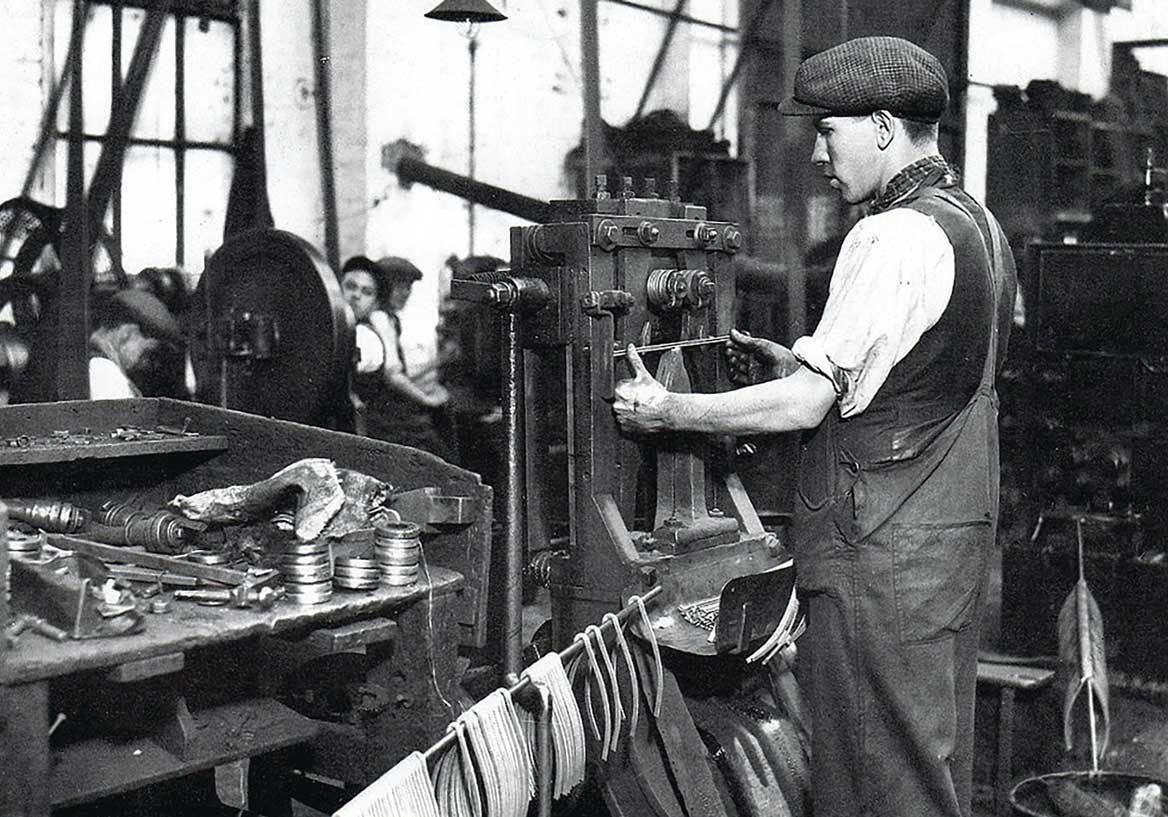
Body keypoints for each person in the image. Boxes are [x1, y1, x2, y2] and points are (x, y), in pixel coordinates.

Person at [612, 36, 1017, 817]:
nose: (818, 156)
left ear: (881, 126)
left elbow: (805, 407)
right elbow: (921, 375)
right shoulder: (977, 227)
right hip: (946, 548)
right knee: (923, 768)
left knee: (867, 781)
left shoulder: (890, 234)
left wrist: (670, 409)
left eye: (828, 133)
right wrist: (801, 365)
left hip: (881, 554)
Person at [340, 255, 453, 460]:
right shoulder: (378, 320)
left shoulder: (390, 319)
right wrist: (426, 399)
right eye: (399, 287)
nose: (405, 293)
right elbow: (392, 375)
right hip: (384, 417)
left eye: (408, 287)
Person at [89, 288, 185, 399]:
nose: (148, 364)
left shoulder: (94, 365)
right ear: (126, 333)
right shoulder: (106, 375)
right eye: (148, 354)